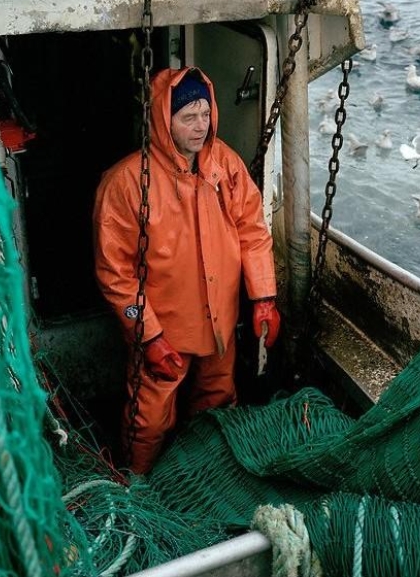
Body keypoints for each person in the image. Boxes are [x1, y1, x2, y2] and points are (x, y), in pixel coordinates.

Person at [93, 66, 281, 474]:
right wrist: (148, 335)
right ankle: (137, 485)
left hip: (220, 325)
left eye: (205, 113)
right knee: (149, 421)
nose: (201, 126)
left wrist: (264, 297)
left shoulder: (226, 164)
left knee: (218, 401)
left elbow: (253, 231)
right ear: (164, 119)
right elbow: (114, 272)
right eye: (188, 117)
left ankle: (209, 476)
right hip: (164, 332)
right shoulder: (126, 182)